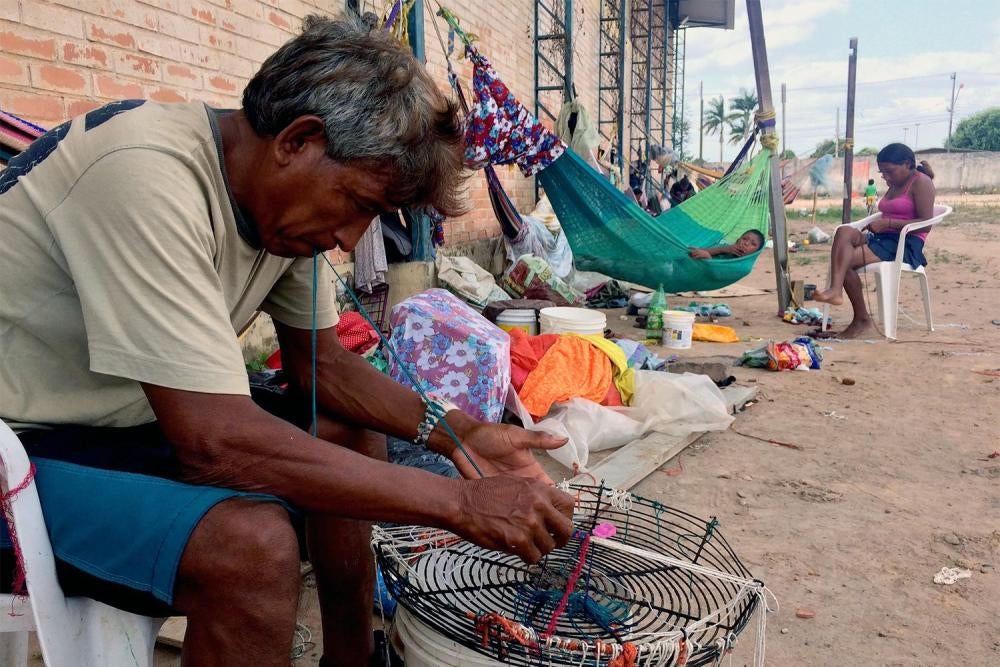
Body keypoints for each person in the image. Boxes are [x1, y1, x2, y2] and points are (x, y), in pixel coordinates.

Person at [0, 17, 575, 667]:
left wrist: (459, 433)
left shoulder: (279, 204)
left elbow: (323, 367)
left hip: (117, 420)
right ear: (299, 141)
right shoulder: (147, 177)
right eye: (357, 203)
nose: (353, 240)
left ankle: (352, 659)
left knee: (349, 428)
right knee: (252, 549)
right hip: (15, 446)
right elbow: (215, 440)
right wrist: (459, 500)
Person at [813, 143, 936, 338]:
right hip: (882, 237)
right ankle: (836, 291)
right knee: (844, 232)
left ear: (906, 164)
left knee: (843, 261)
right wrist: (881, 223)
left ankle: (861, 319)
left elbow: (926, 224)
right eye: (882, 173)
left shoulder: (921, 182)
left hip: (905, 242)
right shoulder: (895, 183)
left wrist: (890, 223)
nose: (886, 177)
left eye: (890, 172)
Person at [688, 229, 765, 259]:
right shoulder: (726, 247)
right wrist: (722, 249)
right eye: (744, 239)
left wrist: (708, 257)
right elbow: (698, 251)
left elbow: (718, 274)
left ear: (755, 253)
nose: (746, 243)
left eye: (753, 244)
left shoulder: (744, 266)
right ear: (737, 241)